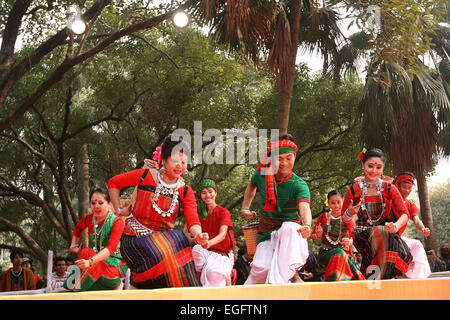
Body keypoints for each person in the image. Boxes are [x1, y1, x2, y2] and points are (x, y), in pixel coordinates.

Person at [108, 137, 208, 289]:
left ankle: (142, 287)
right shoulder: (146, 176)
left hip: (162, 244)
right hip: (135, 239)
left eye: (183, 162)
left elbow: (193, 219)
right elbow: (114, 183)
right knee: (173, 242)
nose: (180, 166)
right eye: (175, 161)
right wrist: (118, 210)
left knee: (177, 243)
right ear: (164, 160)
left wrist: (199, 234)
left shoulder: (185, 190)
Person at [241, 133, 311, 284]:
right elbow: (251, 187)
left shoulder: (298, 184)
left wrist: (306, 225)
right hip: (266, 231)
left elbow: (304, 206)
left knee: (290, 228)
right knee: (262, 269)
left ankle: (294, 275)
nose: (284, 163)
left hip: (289, 236)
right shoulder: (261, 175)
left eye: (289, 158)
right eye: (279, 158)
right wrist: (245, 207)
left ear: (294, 157)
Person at [342, 148, 412, 279]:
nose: (374, 171)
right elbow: (345, 219)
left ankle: (370, 276)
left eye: (378, 167)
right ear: (362, 165)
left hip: (385, 232)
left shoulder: (389, 188)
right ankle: (376, 278)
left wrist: (396, 226)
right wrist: (350, 212)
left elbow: (405, 214)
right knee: (381, 233)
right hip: (362, 234)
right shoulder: (354, 190)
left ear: (383, 168)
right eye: (370, 166)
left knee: (404, 252)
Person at [63, 188, 128, 292]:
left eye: (100, 203)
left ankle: (115, 283)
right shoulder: (88, 219)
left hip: (114, 266)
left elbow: (111, 248)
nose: (96, 206)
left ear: (109, 204)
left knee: (90, 259)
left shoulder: (117, 222)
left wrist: (90, 261)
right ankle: (82, 286)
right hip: (93, 263)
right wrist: (73, 244)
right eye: (93, 203)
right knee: (85, 252)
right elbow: (78, 228)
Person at [191, 177, 237, 287]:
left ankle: (224, 274)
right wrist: (197, 239)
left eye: (210, 192)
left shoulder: (223, 212)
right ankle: (208, 271)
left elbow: (222, 235)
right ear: (200, 196)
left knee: (212, 272)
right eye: (204, 193)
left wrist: (208, 243)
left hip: (222, 254)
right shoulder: (199, 213)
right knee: (196, 249)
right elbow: (187, 233)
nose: (207, 195)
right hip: (206, 253)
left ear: (215, 192)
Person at [311, 190, 365, 281]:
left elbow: (353, 236)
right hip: (326, 253)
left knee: (340, 252)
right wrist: (318, 234)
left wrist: (349, 241)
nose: (336, 206)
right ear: (328, 203)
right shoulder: (323, 217)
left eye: (339, 202)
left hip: (344, 253)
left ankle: (337, 280)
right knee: (339, 253)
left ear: (343, 202)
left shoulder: (347, 217)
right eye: (332, 203)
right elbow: (313, 237)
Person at [388, 172, 431, 279]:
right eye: (404, 187)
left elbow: (416, 219)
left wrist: (423, 228)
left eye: (410, 188)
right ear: (397, 186)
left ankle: (415, 279)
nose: (407, 190)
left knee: (417, 245)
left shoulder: (410, 205)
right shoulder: (388, 199)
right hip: (384, 234)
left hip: (397, 237)